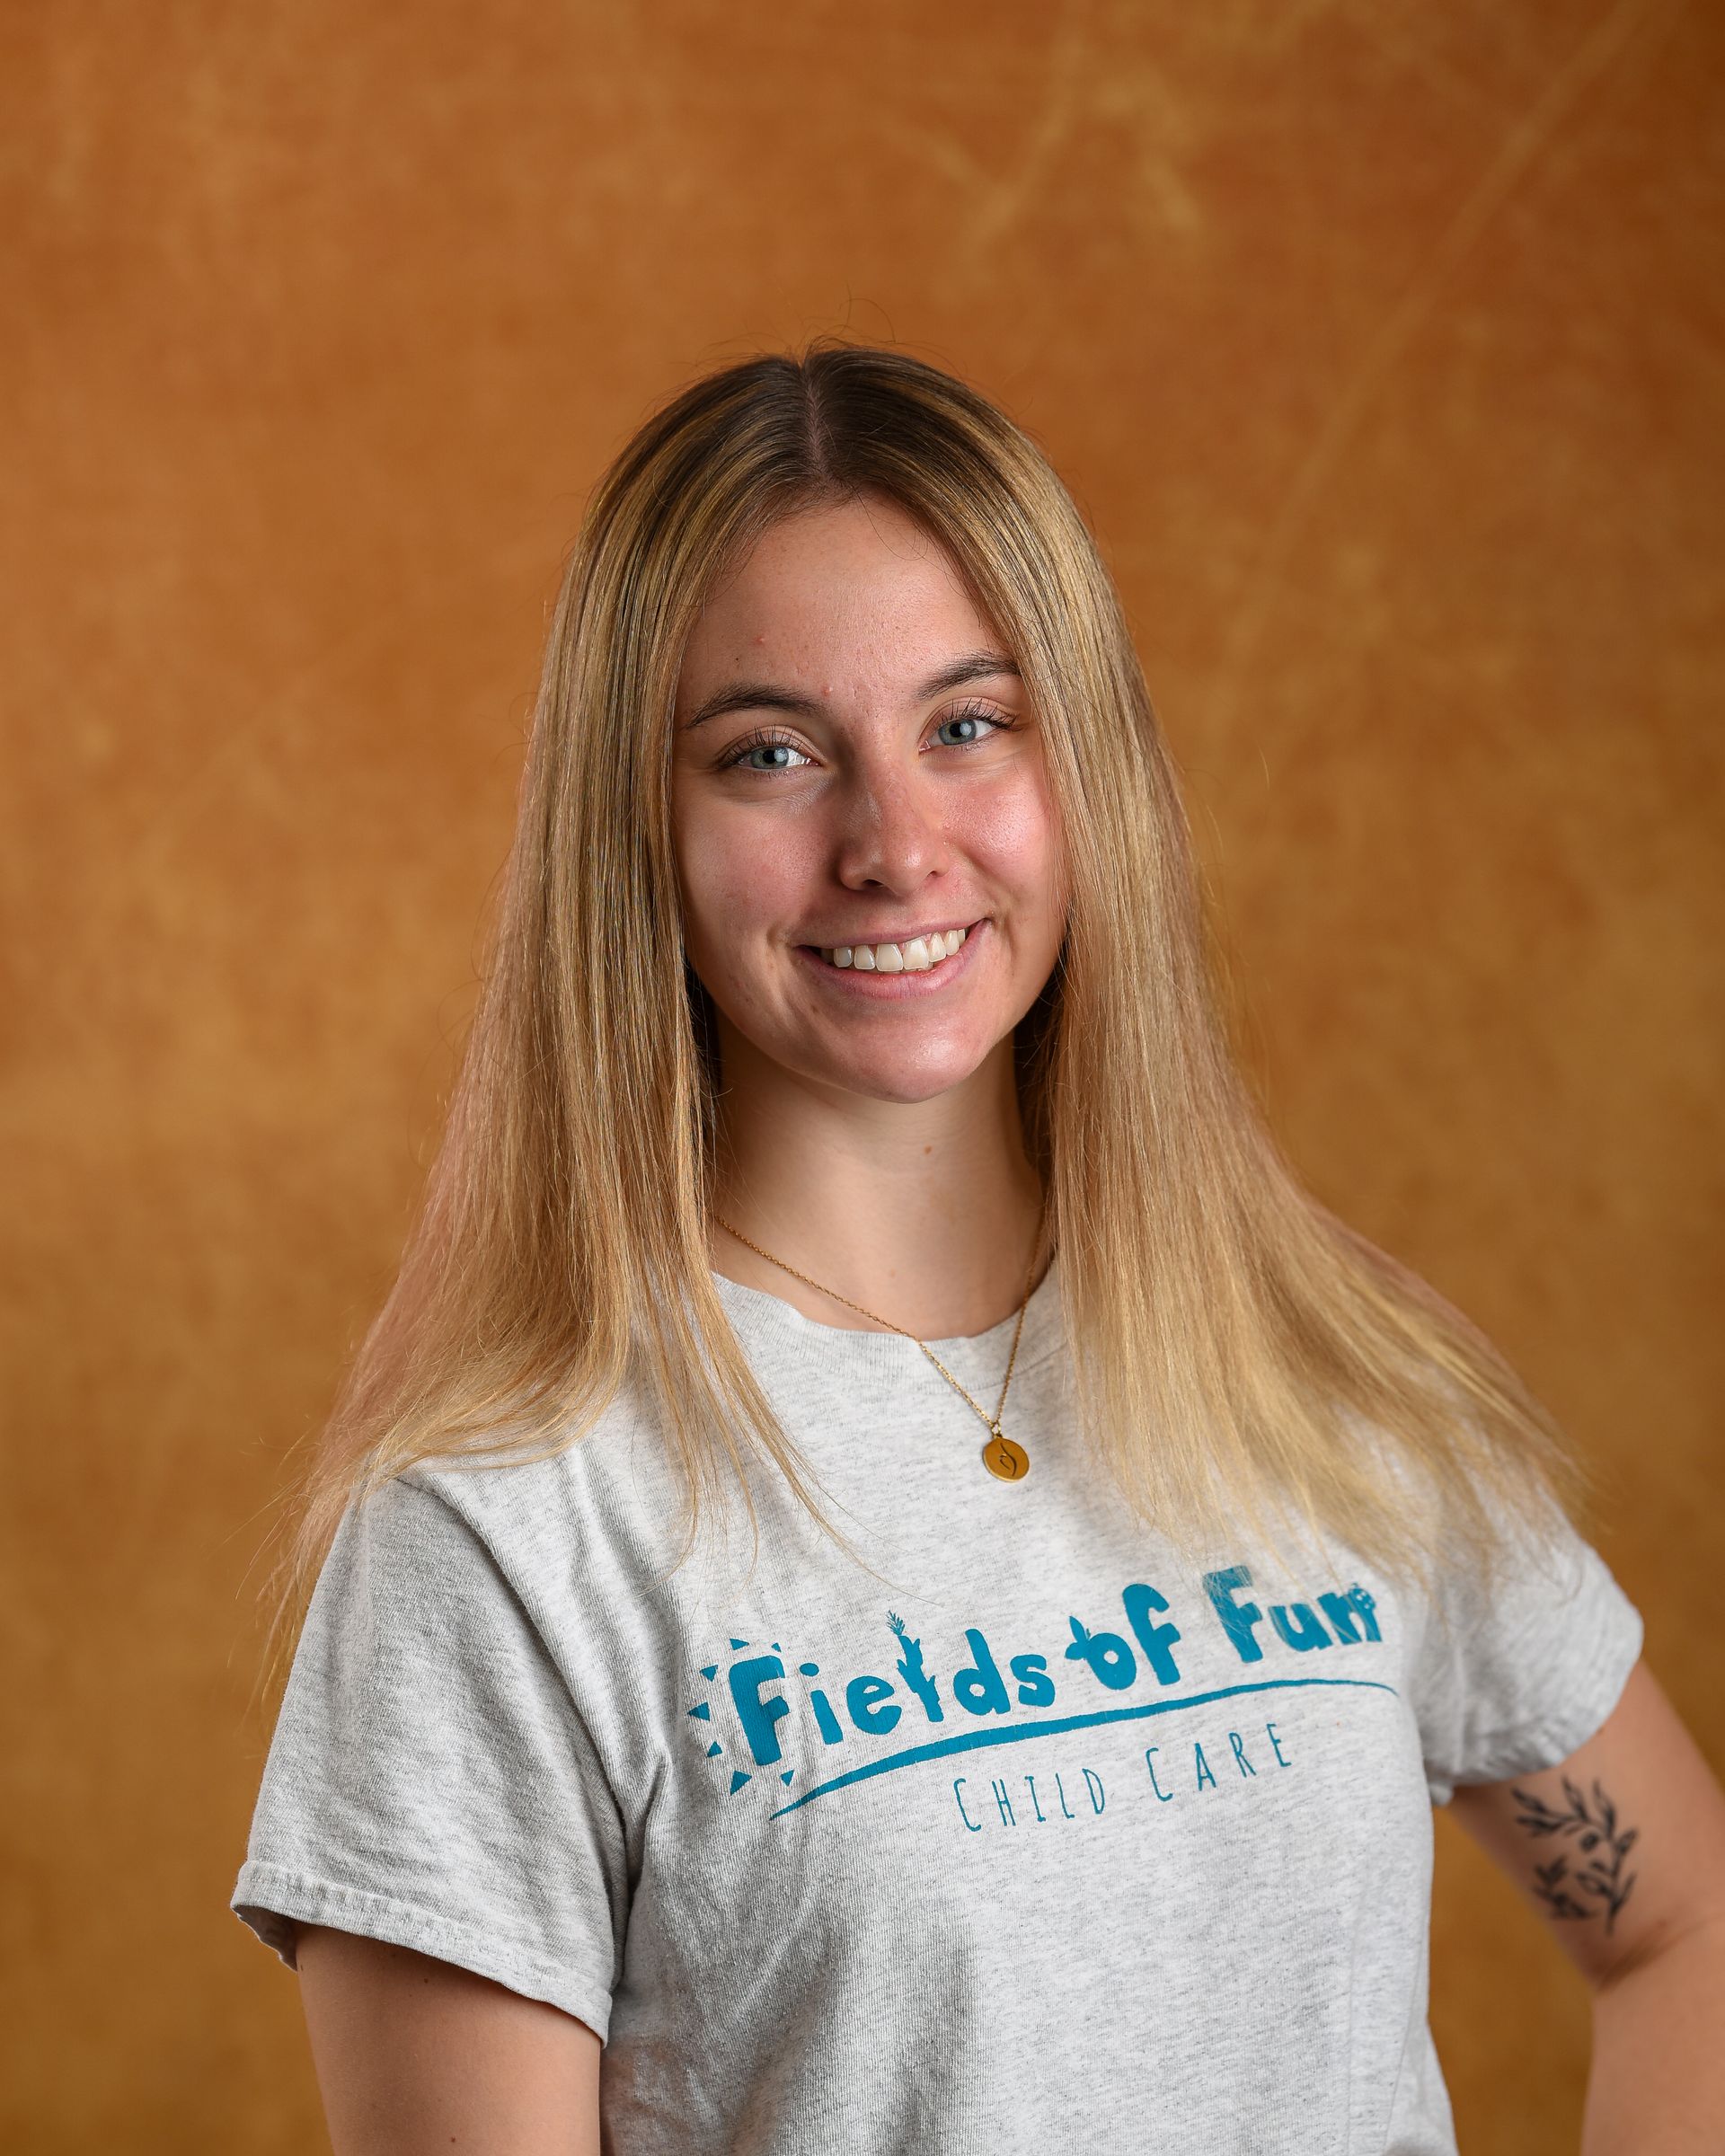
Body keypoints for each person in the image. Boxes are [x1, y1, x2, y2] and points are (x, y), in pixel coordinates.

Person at [230, 342, 1725, 2154]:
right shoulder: (507, 1528)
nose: (895, 844)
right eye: (771, 753)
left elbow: (1680, 1925)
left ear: (1079, 761)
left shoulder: (1321, 1363)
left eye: (967, 724)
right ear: (639, 826)